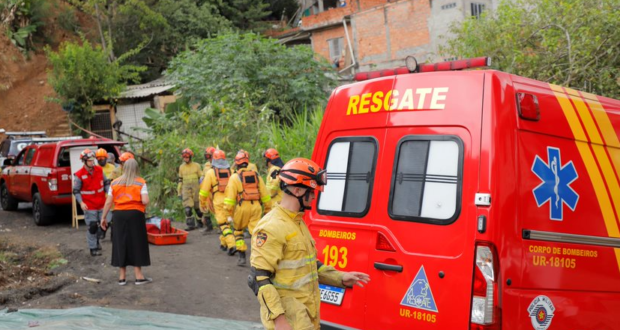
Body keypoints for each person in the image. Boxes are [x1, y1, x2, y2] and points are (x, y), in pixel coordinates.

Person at [250, 158, 370, 330]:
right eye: (312, 191)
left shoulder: (297, 222)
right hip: (288, 322)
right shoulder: (271, 226)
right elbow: (258, 278)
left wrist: (340, 277)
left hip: (305, 317)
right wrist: (279, 320)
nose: (314, 196)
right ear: (297, 190)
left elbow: (310, 265)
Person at [100, 158, 152, 286]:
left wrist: (103, 217)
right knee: (137, 243)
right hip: (135, 215)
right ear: (136, 168)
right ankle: (138, 276)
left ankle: (122, 277)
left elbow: (108, 202)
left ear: (123, 168)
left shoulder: (115, 183)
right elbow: (145, 201)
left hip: (119, 215)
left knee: (120, 242)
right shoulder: (140, 182)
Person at [224, 151, 272, 266]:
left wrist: (228, 214)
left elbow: (230, 200)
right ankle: (262, 256)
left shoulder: (234, 178)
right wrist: (267, 210)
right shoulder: (256, 175)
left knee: (238, 230)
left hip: (242, 207)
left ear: (237, 164)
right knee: (256, 232)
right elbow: (265, 195)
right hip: (256, 207)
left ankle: (242, 256)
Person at [73, 148, 109, 257]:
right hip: (89, 205)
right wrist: (81, 203)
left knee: (105, 225)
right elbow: (76, 191)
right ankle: (93, 248)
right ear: (84, 161)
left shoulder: (99, 170)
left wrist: (109, 193)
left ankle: (96, 240)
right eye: (89, 161)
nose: (92, 162)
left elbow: (106, 182)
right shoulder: (79, 175)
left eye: (93, 160)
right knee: (93, 226)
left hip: (102, 204)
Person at [199, 150, 235, 252]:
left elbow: (204, 191)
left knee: (223, 224)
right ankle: (224, 243)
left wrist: (202, 203)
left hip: (218, 201)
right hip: (231, 201)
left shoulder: (211, 172)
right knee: (227, 223)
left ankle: (232, 245)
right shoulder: (231, 171)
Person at [178, 148, 204, 231]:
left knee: (199, 210)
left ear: (190, 157)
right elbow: (180, 180)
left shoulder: (196, 165)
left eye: (187, 157)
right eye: (184, 157)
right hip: (186, 190)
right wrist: (179, 192)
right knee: (188, 209)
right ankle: (190, 225)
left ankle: (199, 222)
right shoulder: (181, 167)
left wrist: (203, 189)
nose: (185, 158)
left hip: (196, 190)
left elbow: (201, 177)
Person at [200, 146, 217, 232]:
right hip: (206, 190)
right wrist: (201, 179)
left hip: (215, 190)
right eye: (207, 156)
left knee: (217, 208)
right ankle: (208, 226)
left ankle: (222, 227)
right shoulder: (206, 165)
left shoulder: (219, 165)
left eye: (209, 156)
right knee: (205, 208)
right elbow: (203, 175)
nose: (208, 158)